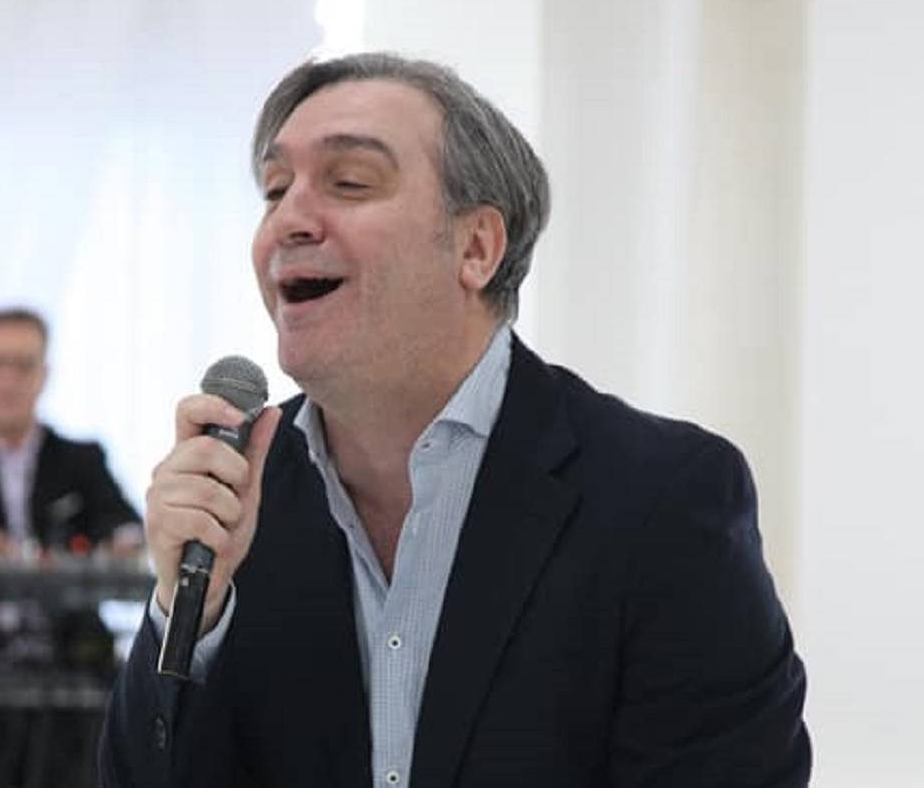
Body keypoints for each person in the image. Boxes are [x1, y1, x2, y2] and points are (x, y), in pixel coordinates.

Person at [100, 53, 811, 787]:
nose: (288, 221)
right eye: (275, 189)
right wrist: (189, 612)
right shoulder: (238, 496)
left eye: (350, 182)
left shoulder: (665, 499)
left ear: (476, 248)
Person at [0, 307, 143, 561]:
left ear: (44, 374)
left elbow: (122, 522)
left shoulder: (83, 460)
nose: (7, 382)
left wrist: (126, 541)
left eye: (23, 366)